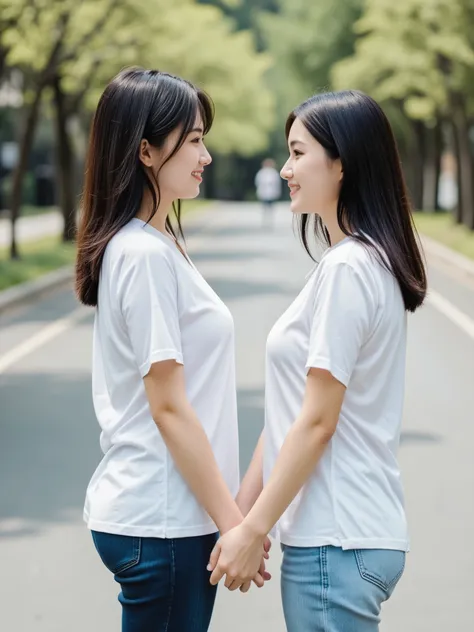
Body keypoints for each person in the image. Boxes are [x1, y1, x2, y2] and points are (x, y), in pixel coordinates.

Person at [208, 90, 427, 631]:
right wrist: (239, 518)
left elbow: (317, 422)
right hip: (343, 538)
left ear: (342, 163)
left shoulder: (349, 269)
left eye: (298, 153)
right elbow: (292, 412)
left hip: (336, 540)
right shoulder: (352, 261)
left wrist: (255, 528)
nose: (285, 169)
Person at [75, 67, 268, 632]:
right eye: (193, 141)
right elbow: (168, 406)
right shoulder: (143, 255)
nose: (205, 155)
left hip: (166, 519)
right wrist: (236, 526)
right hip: (161, 522)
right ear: (146, 151)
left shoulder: (155, 245)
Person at [254, 158, 282, 226]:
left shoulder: (274, 173)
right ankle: (265, 219)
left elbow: (277, 183)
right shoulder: (261, 173)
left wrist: (277, 192)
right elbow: (258, 182)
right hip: (263, 192)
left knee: (271, 207)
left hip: (271, 192)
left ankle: (270, 219)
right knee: (264, 207)